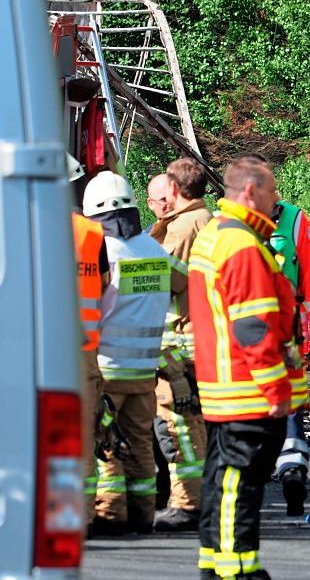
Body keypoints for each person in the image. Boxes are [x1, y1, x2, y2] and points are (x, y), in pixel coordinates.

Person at [190, 157, 308, 580]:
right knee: (241, 486)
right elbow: (254, 329)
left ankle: (216, 562)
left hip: (225, 385)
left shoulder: (217, 235)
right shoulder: (243, 247)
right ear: (250, 193)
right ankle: (238, 568)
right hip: (248, 390)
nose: (277, 201)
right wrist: (278, 393)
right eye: (273, 192)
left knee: (221, 480)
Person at [85, 171, 174, 536]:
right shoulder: (155, 249)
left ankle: (110, 514)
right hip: (144, 369)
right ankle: (143, 513)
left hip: (108, 368)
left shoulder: (105, 252)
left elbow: (96, 304)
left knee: (105, 446)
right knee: (139, 445)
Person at [145, 157, 214, 532]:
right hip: (196, 339)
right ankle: (194, 498)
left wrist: (127, 259)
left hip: (181, 342)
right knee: (193, 425)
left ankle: (188, 503)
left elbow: (162, 278)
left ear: (172, 190)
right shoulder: (206, 220)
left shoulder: (184, 227)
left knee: (178, 426)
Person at [268, 197, 310, 516]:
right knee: (285, 411)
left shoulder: (292, 219)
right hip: (272, 336)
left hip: (283, 336)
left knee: (286, 408)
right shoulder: (226, 223)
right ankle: (290, 466)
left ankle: (288, 470)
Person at [68, 154, 109, 531]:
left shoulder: (22, 226)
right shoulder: (93, 234)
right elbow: (108, 286)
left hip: (32, 352)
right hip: (84, 351)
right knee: (81, 434)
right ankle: (77, 515)